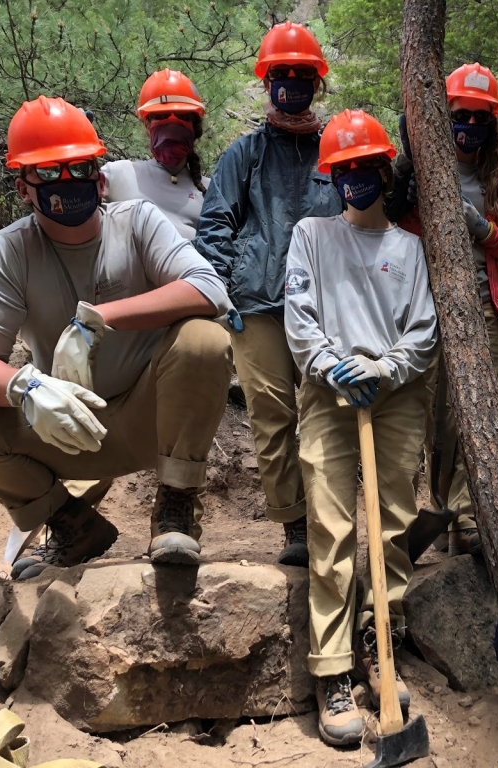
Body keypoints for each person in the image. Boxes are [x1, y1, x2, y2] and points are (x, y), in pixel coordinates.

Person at [0, 96, 235, 578]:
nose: (66, 183)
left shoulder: (137, 222)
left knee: (204, 339)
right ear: (22, 187)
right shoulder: (10, 251)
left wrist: (101, 316)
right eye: (48, 173)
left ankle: (176, 506)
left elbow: (209, 288)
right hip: (64, 424)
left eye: (79, 167)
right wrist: (24, 387)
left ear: (101, 176)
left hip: (150, 418)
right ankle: (70, 523)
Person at [285, 109, 437, 747]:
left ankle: (382, 642)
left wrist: (387, 367)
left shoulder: (409, 247)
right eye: (342, 172)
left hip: (395, 397)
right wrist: (328, 363)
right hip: (327, 393)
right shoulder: (312, 235)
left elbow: (424, 330)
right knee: (332, 525)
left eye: (364, 170)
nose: (354, 181)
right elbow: (299, 311)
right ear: (331, 178)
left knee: (392, 522)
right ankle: (332, 669)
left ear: (384, 172)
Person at [195, 21, 343, 567]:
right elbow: (214, 226)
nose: (291, 84)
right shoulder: (245, 154)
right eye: (281, 75)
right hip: (257, 305)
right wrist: (222, 295)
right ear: (266, 82)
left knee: (327, 411)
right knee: (272, 416)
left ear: (316, 83)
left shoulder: (336, 148)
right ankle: (295, 525)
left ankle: (333, 514)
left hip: (329, 305)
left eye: (301, 75)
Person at [388, 62, 498, 554]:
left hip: (485, 306)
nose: (469, 127)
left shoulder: (496, 176)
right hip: (431, 302)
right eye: (460, 116)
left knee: (481, 416)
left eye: (479, 118)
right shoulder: (424, 169)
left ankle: (467, 517)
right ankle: (444, 508)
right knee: (438, 418)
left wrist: (480, 227)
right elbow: (395, 229)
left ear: (491, 124)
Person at [103, 69, 210, 239]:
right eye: (162, 115)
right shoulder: (117, 175)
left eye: (182, 116)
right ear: (147, 124)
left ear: (194, 126)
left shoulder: (211, 192)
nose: (172, 123)